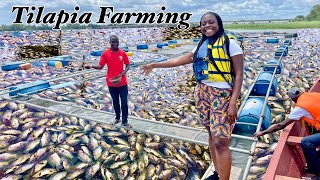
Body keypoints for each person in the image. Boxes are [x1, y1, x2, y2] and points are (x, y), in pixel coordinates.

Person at [142, 12, 244, 180]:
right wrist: (154, 64)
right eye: (203, 23)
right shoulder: (200, 46)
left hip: (222, 95)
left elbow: (239, 74)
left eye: (211, 22)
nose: (207, 26)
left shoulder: (230, 44)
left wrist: (233, 102)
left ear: (219, 24)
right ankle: (217, 173)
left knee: (221, 141)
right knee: (211, 134)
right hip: (202, 92)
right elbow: (177, 61)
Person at [254, 87, 320, 178]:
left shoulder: (300, 107)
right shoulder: (314, 95)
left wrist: (263, 132)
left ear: (293, 99)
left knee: (306, 142)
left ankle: (315, 171)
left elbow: (280, 125)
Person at [85, 35, 131, 127]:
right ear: (110, 43)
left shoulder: (122, 53)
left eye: (116, 41)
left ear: (118, 42)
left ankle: (125, 121)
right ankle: (117, 118)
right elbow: (100, 66)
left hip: (122, 82)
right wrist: (91, 66)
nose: (115, 44)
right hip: (111, 83)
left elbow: (128, 64)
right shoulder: (105, 53)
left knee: (124, 103)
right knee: (115, 102)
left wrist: (123, 73)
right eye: (113, 42)